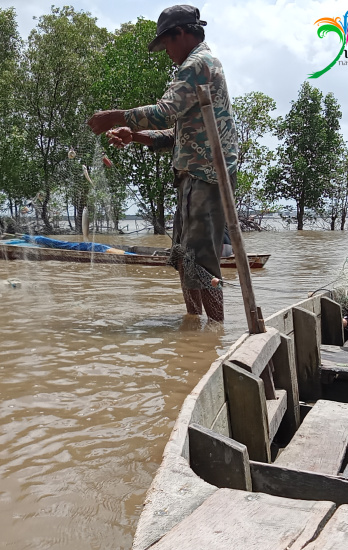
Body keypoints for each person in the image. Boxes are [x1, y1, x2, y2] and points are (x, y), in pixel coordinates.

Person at [87, 5, 237, 323]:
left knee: (202, 263)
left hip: (207, 176)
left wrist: (113, 115)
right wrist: (135, 136)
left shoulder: (198, 64)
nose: (167, 52)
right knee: (184, 258)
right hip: (192, 175)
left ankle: (215, 332)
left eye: (167, 44)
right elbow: (176, 132)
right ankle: (195, 325)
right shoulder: (194, 66)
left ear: (181, 34)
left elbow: (164, 111)